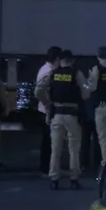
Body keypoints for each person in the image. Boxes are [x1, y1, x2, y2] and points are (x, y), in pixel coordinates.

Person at [35, 50, 86, 189]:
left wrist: (47, 103)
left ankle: (54, 178)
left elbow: (38, 91)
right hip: (72, 115)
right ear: (72, 60)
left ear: (60, 60)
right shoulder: (76, 73)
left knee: (55, 148)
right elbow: (85, 93)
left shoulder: (53, 73)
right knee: (74, 149)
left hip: (57, 114)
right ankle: (74, 178)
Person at [36, 46, 61, 175]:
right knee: (49, 141)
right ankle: (46, 168)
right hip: (47, 110)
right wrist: (48, 104)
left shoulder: (45, 69)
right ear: (57, 59)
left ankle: (49, 167)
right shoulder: (49, 72)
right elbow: (39, 91)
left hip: (45, 109)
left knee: (49, 140)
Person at [80, 89, 101, 172]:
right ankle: (96, 164)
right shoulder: (97, 88)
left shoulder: (85, 88)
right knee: (97, 142)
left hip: (86, 116)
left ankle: (85, 164)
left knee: (85, 142)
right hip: (95, 115)